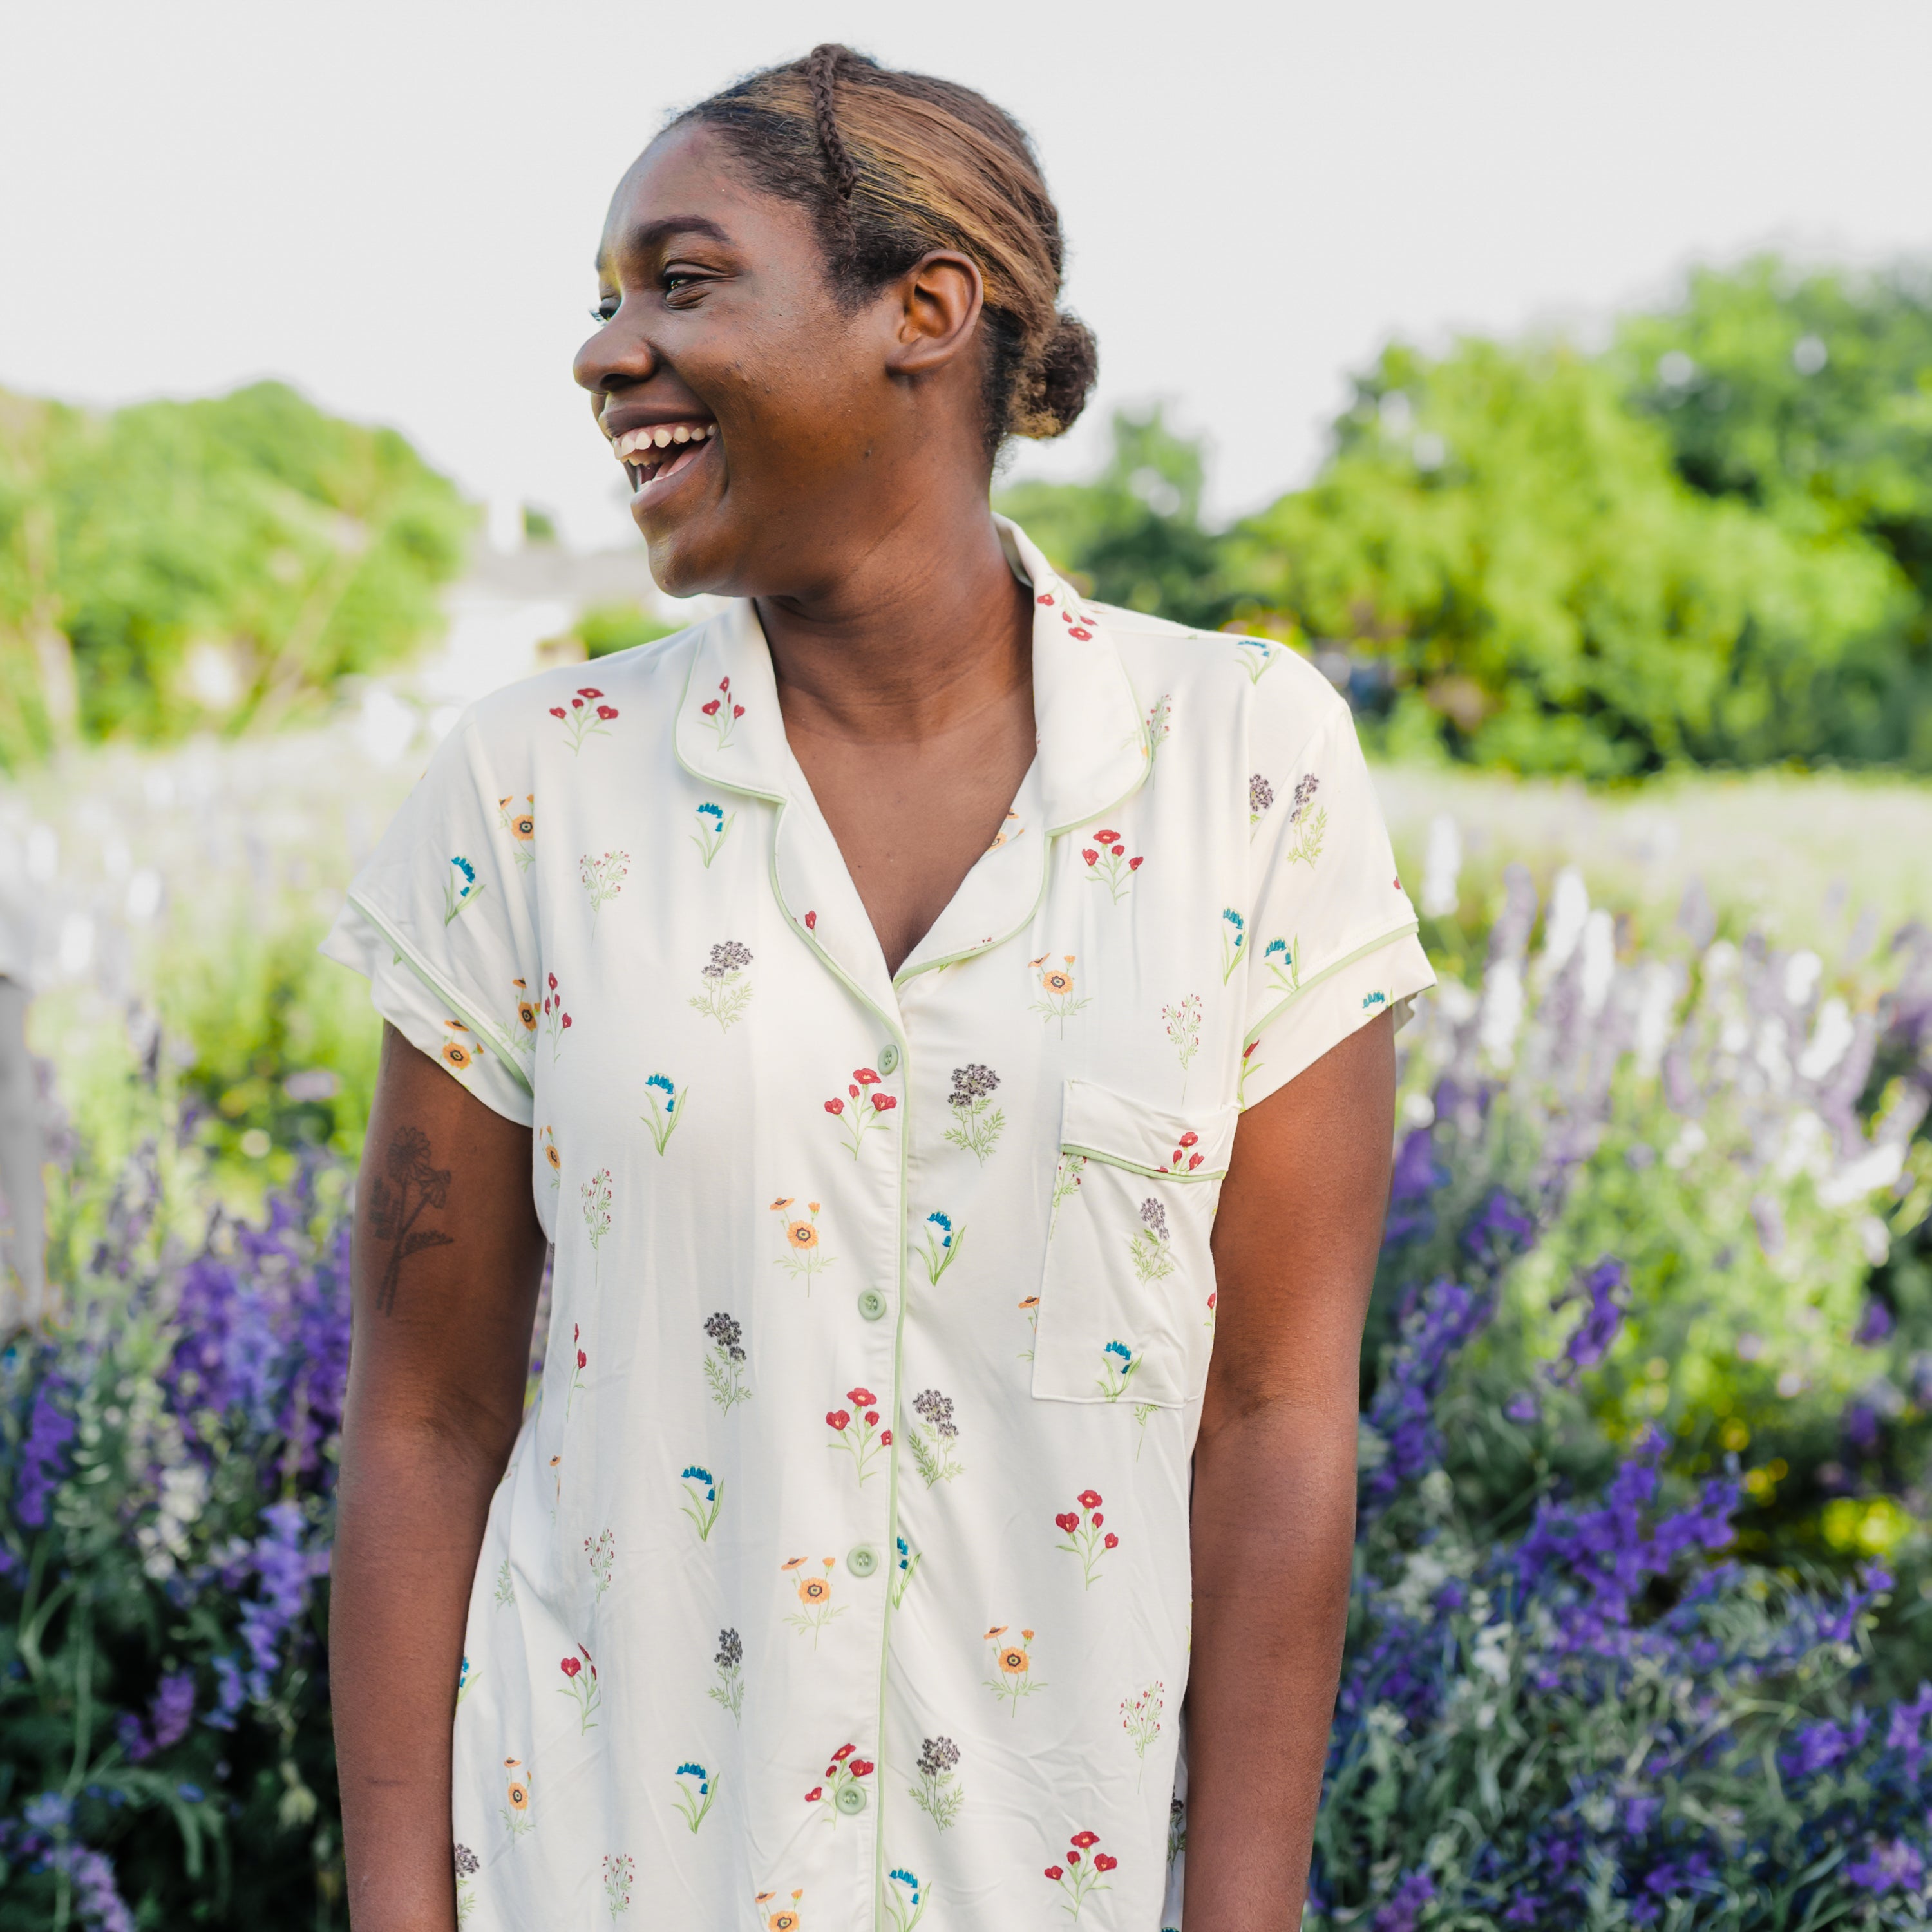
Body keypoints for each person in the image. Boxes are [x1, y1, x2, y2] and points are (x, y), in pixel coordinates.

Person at [323, 44, 1434, 1931]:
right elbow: (425, 1421)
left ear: (925, 311)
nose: (606, 354)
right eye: (603, 303)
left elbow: (1275, 1422)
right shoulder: (527, 792)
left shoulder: (1244, 766)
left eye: (680, 283)